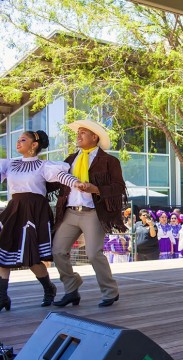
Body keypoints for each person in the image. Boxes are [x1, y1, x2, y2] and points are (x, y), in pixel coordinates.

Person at [0, 130, 81, 312]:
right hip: (15, 209)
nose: (18, 142)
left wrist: (77, 184)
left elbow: (62, 177)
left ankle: (48, 288)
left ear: (34, 145)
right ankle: (2, 297)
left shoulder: (44, 166)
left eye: (23, 140)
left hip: (35, 211)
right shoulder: (9, 164)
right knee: (3, 252)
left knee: (32, 258)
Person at [52, 119, 127, 308]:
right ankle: (71, 288)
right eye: (78, 133)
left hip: (93, 212)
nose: (78, 135)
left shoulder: (109, 161)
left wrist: (96, 189)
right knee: (58, 251)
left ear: (95, 137)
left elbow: (119, 187)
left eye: (83, 132)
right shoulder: (70, 160)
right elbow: (55, 181)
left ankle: (110, 291)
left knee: (93, 254)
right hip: (70, 212)